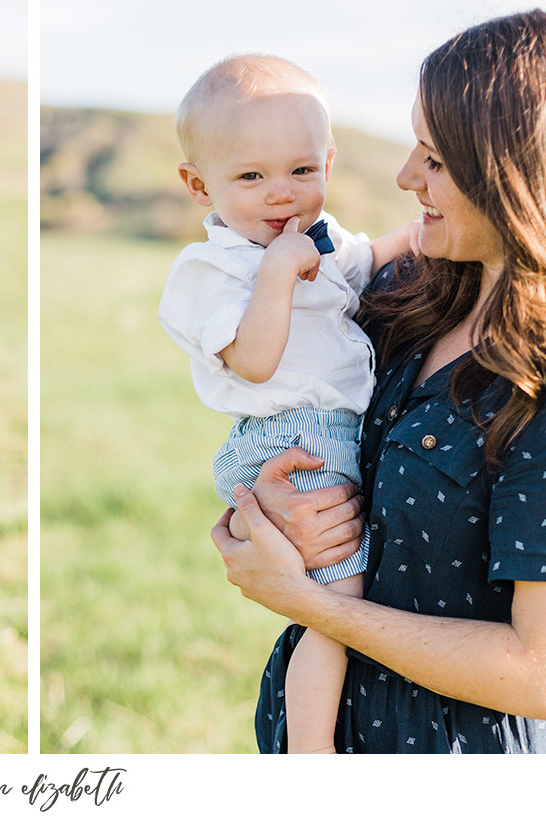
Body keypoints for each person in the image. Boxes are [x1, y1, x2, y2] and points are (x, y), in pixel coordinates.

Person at [212, 10, 546, 753]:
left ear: (515, 172)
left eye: (434, 158)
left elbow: (538, 673)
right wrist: (264, 506)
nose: (403, 177)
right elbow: (291, 420)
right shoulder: (401, 295)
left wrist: (308, 603)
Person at [158, 55, 411, 752]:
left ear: (328, 162)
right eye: (250, 177)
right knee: (339, 603)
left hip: (333, 432)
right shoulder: (212, 270)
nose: (281, 195)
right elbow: (256, 359)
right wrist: (275, 272)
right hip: (292, 436)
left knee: (346, 594)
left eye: (302, 171)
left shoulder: (320, 245)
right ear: (197, 183)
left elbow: (382, 254)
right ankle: (309, 746)